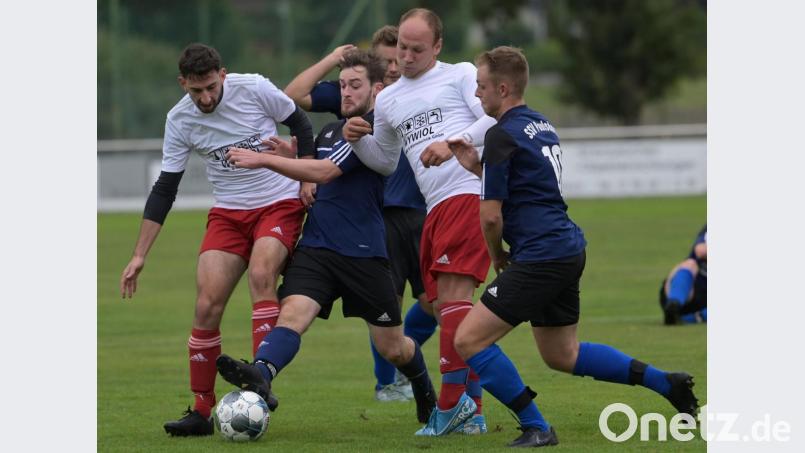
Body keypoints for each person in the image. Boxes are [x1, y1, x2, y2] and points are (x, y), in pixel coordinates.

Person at [442, 46, 700, 447]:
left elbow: (491, 216)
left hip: (541, 255)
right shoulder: (540, 124)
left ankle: (536, 426)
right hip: (564, 248)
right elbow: (529, 186)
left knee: (468, 340)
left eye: (481, 86)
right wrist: (477, 167)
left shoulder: (499, 134)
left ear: (503, 87)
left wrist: (497, 258)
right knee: (562, 354)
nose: (477, 95)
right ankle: (666, 383)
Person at [215, 49, 438, 426]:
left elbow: (324, 171)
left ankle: (423, 386)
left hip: (364, 254)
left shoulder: (370, 130)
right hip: (318, 246)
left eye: (355, 85)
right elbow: (314, 158)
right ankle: (262, 374)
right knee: (292, 316)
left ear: (377, 89)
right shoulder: (333, 129)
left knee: (393, 348)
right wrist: (291, 151)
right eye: (343, 86)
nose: (345, 93)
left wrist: (265, 160)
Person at [118, 43, 316, 437]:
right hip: (228, 213)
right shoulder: (179, 119)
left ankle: (259, 383)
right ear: (183, 84)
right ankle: (202, 410)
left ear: (222, 75)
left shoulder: (254, 88)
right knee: (206, 304)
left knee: (262, 275)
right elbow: (165, 188)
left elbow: (301, 124)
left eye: (211, 87)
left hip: (277, 202)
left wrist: (306, 177)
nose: (206, 98)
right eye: (197, 91)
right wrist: (139, 255)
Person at [343, 8, 498, 436]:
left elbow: (493, 118)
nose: (405, 58)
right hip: (436, 207)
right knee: (453, 309)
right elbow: (387, 161)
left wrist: (454, 143)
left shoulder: (460, 75)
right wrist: (357, 142)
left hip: (467, 193)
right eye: (401, 49)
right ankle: (474, 411)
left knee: (451, 303)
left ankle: (449, 408)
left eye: (416, 49)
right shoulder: (389, 99)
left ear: (438, 47)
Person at [284, 25, 438, 403]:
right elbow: (294, 95)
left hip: (421, 210)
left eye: (397, 58)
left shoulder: (418, 94)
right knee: (387, 308)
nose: (393, 67)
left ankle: (423, 376)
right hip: (380, 215)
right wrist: (336, 59)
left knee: (437, 304)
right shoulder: (354, 99)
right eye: (385, 60)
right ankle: (388, 384)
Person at [660, 225, 707, 324]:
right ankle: (673, 306)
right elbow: (701, 250)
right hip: (689, 291)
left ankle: (689, 318)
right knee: (690, 264)